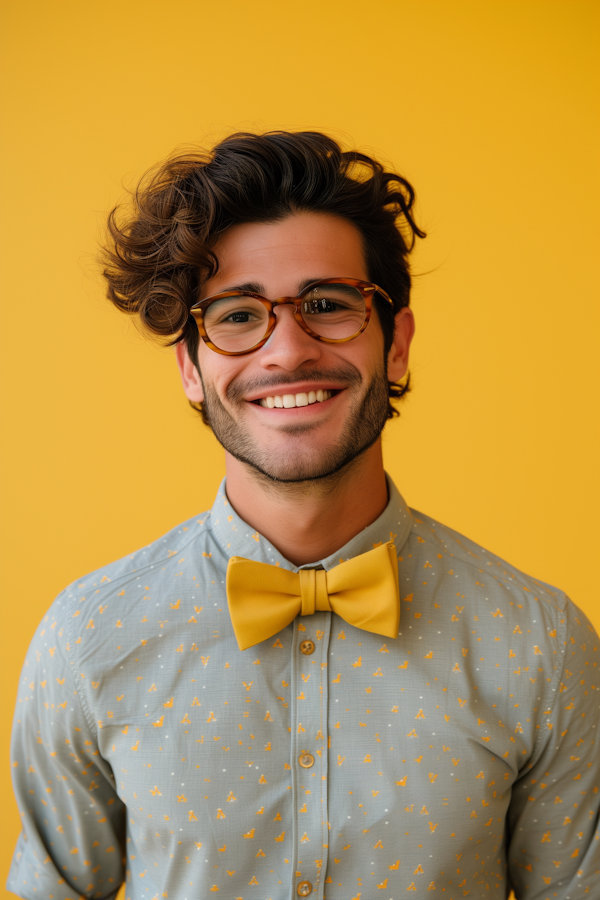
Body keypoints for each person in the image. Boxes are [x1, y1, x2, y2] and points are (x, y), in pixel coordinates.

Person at [8, 131, 599, 900]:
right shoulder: (87, 638)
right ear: (191, 367)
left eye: (328, 305)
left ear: (396, 345)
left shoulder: (541, 644)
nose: (287, 351)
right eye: (236, 315)